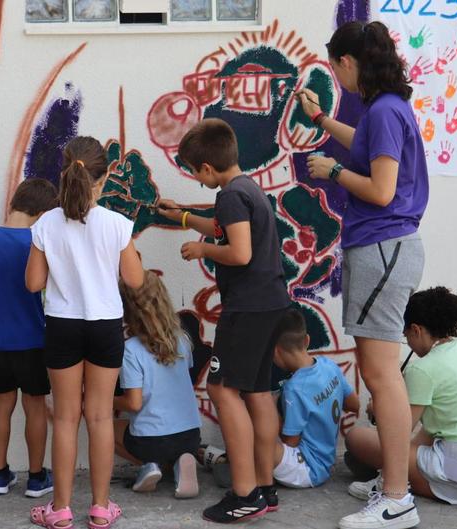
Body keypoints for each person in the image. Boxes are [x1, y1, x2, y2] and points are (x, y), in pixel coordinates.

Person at [296, 20, 428, 529]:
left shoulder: (387, 111)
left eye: (335, 66)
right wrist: (325, 123)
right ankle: (391, 481)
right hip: (380, 248)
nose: (335, 74)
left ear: (348, 63)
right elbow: (369, 148)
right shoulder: (384, 110)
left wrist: (333, 172)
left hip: (382, 246)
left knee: (380, 376)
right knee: (380, 374)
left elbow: (381, 190)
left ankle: (397, 499)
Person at [159, 118, 291, 524]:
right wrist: (182, 217)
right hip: (271, 304)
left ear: (206, 169)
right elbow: (225, 229)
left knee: (221, 389)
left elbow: (239, 253)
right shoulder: (248, 188)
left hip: (246, 307)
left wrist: (202, 251)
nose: (197, 181)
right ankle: (264, 488)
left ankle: (244, 492)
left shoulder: (230, 196)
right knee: (257, 392)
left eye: (194, 173)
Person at [25, 136, 144, 529]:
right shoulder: (116, 224)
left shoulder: (45, 223)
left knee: (65, 418)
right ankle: (100, 507)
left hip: (62, 324)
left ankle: (59, 510)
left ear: (64, 170)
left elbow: (33, 283)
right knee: (99, 417)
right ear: (105, 177)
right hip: (105, 326)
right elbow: (134, 278)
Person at [0, 178, 59, 497]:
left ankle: (0, 475)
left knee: (2, 404)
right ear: (42, 211)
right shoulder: (37, 242)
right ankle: (36, 477)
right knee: (34, 406)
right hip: (32, 339)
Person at [345, 287, 457, 506]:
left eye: (406, 336)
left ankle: (390, 483)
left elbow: (400, 432)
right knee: (430, 429)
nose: (408, 342)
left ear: (416, 330)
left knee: (356, 437)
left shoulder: (423, 369)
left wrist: (380, 409)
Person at [113, 270, 201, 498]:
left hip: (150, 442)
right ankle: (181, 463)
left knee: (105, 428)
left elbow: (133, 403)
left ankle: (151, 465)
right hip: (191, 436)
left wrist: (103, 400)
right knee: (174, 443)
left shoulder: (131, 349)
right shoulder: (182, 339)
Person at [272, 308, 359, 489]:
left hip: (305, 470)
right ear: (307, 340)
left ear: (274, 352)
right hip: (325, 464)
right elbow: (353, 404)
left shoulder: (293, 389)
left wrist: (274, 412)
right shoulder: (329, 366)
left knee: (257, 442)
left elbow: (291, 442)